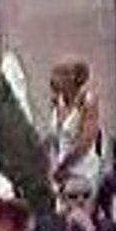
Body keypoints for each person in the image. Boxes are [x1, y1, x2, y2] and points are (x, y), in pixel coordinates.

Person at [49, 58, 101, 186]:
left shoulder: (88, 101)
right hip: (60, 171)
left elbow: (85, 142)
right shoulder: (57, 101)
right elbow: (55, 137)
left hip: (82, 170)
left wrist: (64, 166)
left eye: (60, 73)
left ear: (73, 77)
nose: (54, 78)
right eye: (55, 73)